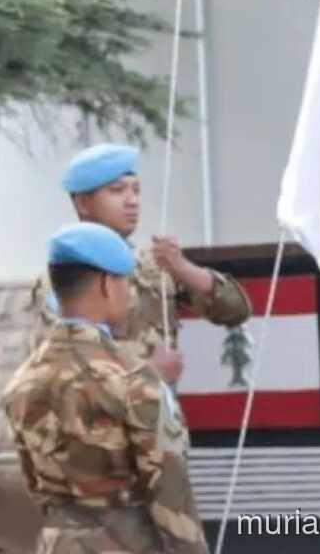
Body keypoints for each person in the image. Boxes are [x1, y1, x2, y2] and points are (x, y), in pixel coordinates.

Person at [4, 222, 208, 553]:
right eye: (124, 282)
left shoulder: (21, 382)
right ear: (106, 284)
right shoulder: (134, 381)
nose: (128, 293)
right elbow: (172, 500)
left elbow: (35, 486)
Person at [30, 142, 253, 384]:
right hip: (108, 406)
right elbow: (67, 364)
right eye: (117, 190)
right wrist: (149, 371)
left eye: (136, 190)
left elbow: (235, 311)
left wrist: (182, 268)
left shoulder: (155, 265)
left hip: (159, 406)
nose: (132, 201)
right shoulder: (65, 277)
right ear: (83, 203)